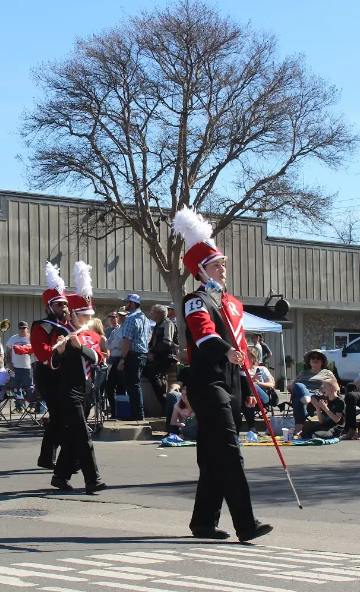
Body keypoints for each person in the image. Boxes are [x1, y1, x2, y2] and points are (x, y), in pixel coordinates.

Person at [172, 207, 271, 542]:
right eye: (216, 264)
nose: (223, 268)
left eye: (223, 263)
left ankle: (203, 523)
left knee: (213, 457)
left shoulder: (234, 303)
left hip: (231, 380)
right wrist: (224, 350)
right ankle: (246, 524)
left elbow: (241, 346)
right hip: (207, 379)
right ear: (201, 271)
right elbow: (203, 334)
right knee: (229, 451)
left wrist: (246, 385)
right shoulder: (195, 300)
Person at [50, 261, 107, 494]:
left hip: (86, 388)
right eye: (82, 315)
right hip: (68, 390)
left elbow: (99, 358)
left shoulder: (90, 334)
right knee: (83, 435)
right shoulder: (60, 332)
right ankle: (92, 479)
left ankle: (60, 475)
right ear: (73, 314)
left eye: (88, 315)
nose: (86, 319)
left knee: (75, 435)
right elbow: (52, 363)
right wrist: (61, 351)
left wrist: (80, 347)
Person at [31, 262, 72, 471]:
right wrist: (60, 345)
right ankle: (52, 457)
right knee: (58, 415)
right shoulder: (40, 325)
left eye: (65, 305)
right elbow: (43, 352)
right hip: (48, 374)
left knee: (61, 416)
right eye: (59, 305)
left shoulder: (69, 325)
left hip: (66, 376)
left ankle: (48, 457)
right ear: (49, 307)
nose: (63, 308)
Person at [117, 293, 152, 421]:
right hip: (142, 354)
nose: (125, 305)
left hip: (132, 355)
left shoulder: (130, 319)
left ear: (132, 303)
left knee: (133, 385)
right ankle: (137, 413)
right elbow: (148, 337)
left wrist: (122, 358)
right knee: (135, 384)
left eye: (127, 302)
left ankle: (137, 414)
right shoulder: (145, 318)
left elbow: (127, 341)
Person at [289, 349, 338, 433]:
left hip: (318, 396)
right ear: (309, 362)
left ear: (322, 362)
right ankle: (307, 402)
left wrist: (326, 390)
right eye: (312, 358)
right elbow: (292, 386)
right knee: (298, 386)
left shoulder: (326, 373)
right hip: (304, 395)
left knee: (298, 399)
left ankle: (299, 429)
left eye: (318, 358)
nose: (315, 359)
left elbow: (335, 386)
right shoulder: (303, 373)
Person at [145, 303, 178, 413]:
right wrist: (149, 351)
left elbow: (167, 342)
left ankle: (165, 403)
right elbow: (152, 343)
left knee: (151, 372)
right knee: (145, 369)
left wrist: (153, 352)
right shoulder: (158, 325)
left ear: (159, 313)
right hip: (159, 356)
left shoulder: (168, 323)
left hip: (168, 357)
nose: (151, 314)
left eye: (153, 312)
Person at [243, 345, 276, 432]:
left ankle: (252, 428)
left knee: (253, 386)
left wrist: (258, 383)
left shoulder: (261, 369)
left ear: (253, 358)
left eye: (247, 357)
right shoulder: (242, 371)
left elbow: (271, 384)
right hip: (248, 398)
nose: (245, 359)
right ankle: (252, 428)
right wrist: (251, 380)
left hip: (263, 398)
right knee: (249, 398)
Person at [5, 321, 34, 405]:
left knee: (30, 387)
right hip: (16, 367)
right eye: (20, 328)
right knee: (16, 388)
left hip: (28, 367)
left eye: (24, 328)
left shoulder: (30, 338)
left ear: (27, 329)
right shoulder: (13, 338)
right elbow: (8, 351)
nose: (21, 330)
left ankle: (32, 405)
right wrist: (10, 364)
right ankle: (19, 406)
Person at [104, 310, 126, 418]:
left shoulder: (126, 329)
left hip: (123, 359)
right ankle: (113, 412)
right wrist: (115, 344)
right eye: (118, 315)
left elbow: (122, 343)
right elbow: (107, 344)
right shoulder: (113, 331)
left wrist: (114, 344)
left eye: (120, 316)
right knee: (109, 387)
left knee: (121, 388)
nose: (118, 318)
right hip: (114, 360)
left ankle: (121, 412)